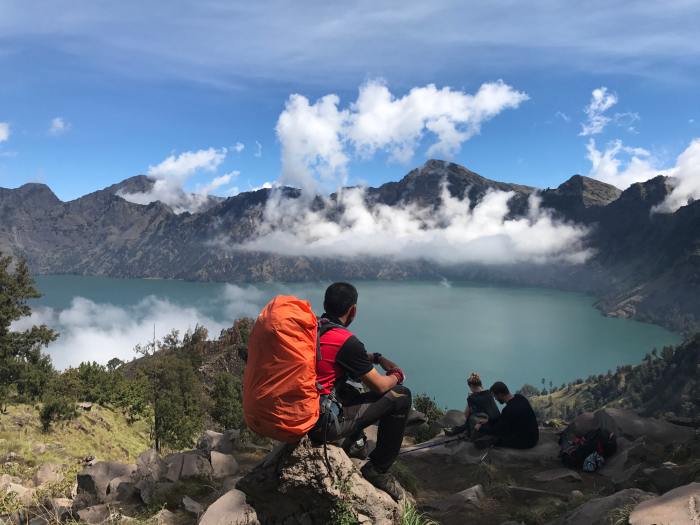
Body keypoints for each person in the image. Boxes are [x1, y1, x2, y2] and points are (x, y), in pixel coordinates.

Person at [308, 282, 412, 501]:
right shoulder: (346, 341)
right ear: (352, 310)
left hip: (301, 413)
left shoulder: (312, 329)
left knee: (347, 388)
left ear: (325, 304)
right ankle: (378, 469)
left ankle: (355, 443)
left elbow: (331, 359)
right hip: (320, 426)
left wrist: (373, 358)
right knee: (401, 396)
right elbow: (381, 386)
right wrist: (398, 374)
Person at [474, 381, 539, 449]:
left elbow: (496, 430)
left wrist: (481, 428)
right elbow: (503, 418)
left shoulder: (509, 409)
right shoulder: (519, 397)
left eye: (495, 396)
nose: (495, 399)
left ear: (500, 394)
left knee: (496, 439)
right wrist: (488, 421)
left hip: (526, 442)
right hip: (534, 437)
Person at [444, 372, 500, 437]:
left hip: (482, 427)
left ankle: (454, 430)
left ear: (471, 386)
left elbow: (466, 415)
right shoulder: (489, 393)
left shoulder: (472, 398)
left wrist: (470, 399)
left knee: (469, 418)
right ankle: (456, 429)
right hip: (494, 424)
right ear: (480, 384)